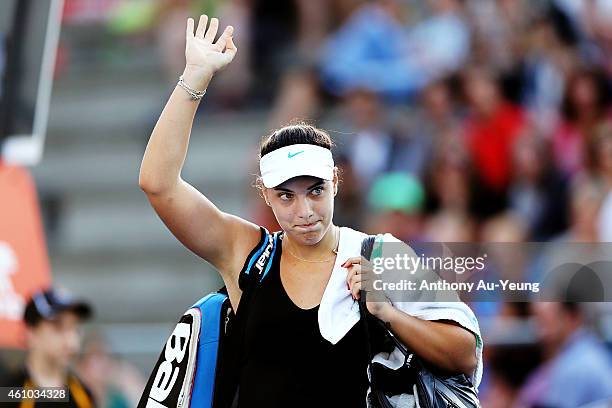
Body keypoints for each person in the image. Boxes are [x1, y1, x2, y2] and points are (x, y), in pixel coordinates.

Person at [138, 15, 481, 407]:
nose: (305, 211)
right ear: (265, 196)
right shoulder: (246, 255)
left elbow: (464, 353)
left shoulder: (379, 255)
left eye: (316, 191)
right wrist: (195, 79)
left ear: (336, 181)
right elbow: (158, 185)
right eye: (286, 196)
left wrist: (390, 315)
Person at [0, 288, 95, 408]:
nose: (71, 341)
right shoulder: (9, 393)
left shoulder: (82, 394)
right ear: (30, 333)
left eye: (74, 328)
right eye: (58, 327)